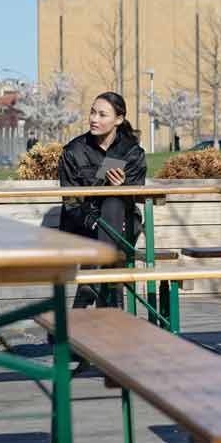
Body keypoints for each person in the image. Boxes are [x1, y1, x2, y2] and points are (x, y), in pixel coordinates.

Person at [58, 91, 147, 308]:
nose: (94, 119)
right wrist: (93, 220)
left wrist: (122, 188)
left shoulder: (131, 152)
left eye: (102, 114)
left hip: (124, 222)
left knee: (114, 202)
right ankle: (112, 298)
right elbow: (71, 202)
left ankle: (90, 287)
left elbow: (137, 197)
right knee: (110, 233)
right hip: (83, 224)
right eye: (92, 112)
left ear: (119, 119)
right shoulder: (74, 151)